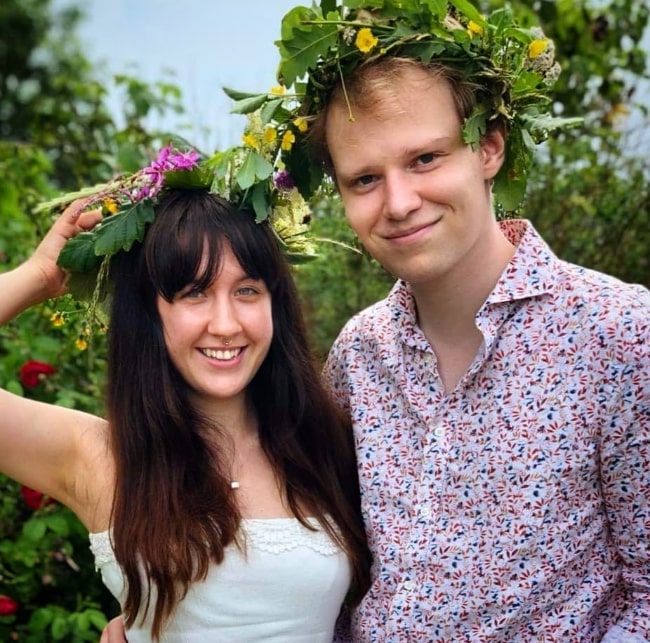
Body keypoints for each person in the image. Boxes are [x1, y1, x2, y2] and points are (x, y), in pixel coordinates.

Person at [103, 2, 650, 641]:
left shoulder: (619, 334)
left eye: (425, 159)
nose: (399, 202)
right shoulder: (359, 357)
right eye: (364, 178)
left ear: (490, 147)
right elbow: (333, 573)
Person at [0, 171, 371, 640]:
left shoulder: (326, 440)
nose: (226, 323)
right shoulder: (99, 457)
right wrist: (38, 277)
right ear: (150, 314)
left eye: (247, 291)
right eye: (195, 292)